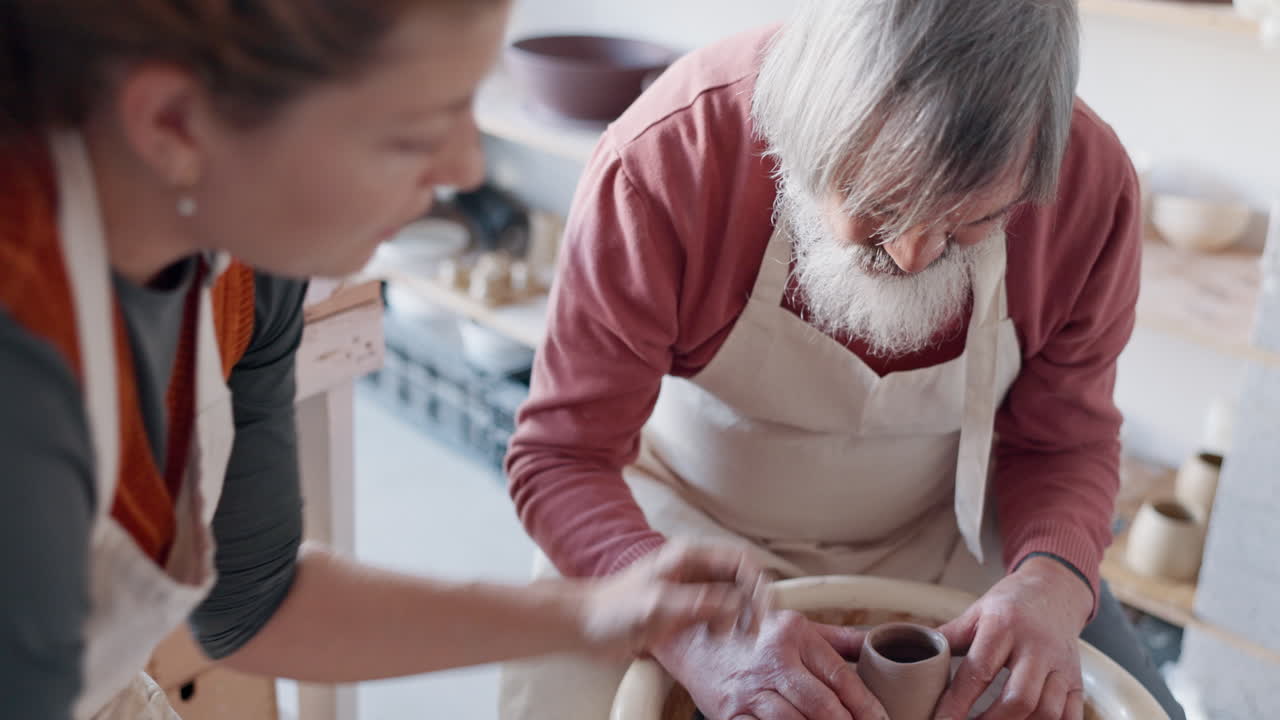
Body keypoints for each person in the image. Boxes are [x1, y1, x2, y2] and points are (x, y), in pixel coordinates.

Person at [0, 2, 773, 718]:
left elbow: (253, 605)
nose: (468, 169)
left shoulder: (249, 261)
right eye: (414, 134)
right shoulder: (27, 360)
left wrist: (600, 611)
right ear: (172, 126)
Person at [499, 1, 1187, 719]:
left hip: (938, 529)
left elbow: (1062, 442)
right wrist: (684, 623)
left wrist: (1050, 582)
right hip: (682, 530)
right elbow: (561, 458)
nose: (912, 256)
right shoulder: (670, 158)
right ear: (806, 126)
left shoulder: (1088, 190)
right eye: (878, 207)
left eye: (972, 223)